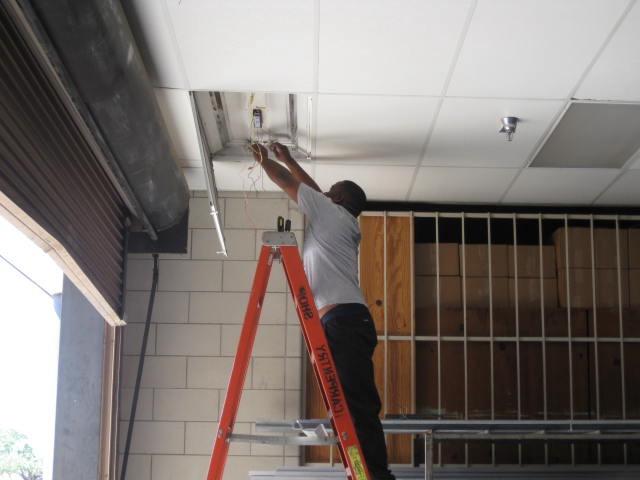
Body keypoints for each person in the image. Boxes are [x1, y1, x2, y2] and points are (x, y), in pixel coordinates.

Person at [250, 142, 394, 480]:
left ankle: (375, 475)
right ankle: (371, 472)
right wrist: (287, 157)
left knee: (357, 405)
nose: (324, 193)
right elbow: (312, 191)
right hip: (346, 321)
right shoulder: (337, 217)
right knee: (355, 403)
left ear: (338, 200)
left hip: (344, 322)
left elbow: (289, 183)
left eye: (331, 192)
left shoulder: (329, 213)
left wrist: (265, 161)